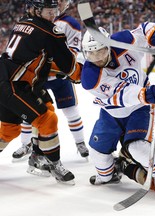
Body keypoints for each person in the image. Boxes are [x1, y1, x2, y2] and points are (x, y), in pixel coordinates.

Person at [81, 22, 155, 193]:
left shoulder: (124, 42)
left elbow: (143, 30)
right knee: (97, 154)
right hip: (111, 113)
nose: (98, 58)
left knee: (138, 148)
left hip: (139, 108)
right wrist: (145, 94)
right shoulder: (90, 77)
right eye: (91, 54)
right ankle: (109, 174)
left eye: (100, 51)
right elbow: (121, 93)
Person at [0, 0, 82, 184]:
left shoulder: (23, 22)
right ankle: (54, 164)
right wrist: (80, 72)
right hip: (14, 84)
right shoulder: (50, 31)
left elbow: (36, 59)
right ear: (36, 10)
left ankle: (37, 155)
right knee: (47, 119)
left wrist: (63, 68)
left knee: (11, 129)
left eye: (54, 10)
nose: (53, 14)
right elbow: (68, 65)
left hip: (11, 78)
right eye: (48, 11)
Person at [11, 0, 89, 161]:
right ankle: (26, 144)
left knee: (71, 111)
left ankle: (80, 142)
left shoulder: (70, 23)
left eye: (62, 1)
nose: (58, 4)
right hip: (38, 77)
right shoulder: (36, 21)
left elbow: (72, 52)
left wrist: (59, 66)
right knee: (30, 111)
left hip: (60, 78)